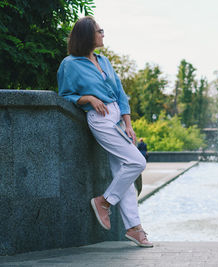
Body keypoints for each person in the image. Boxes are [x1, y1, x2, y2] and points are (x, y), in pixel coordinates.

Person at [57, 16, 152, 247]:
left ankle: (134, 229)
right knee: (137, 162)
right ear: (88, 35)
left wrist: (128, 124)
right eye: (100, 31)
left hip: (117, 119)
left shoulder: (104, 61)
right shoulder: (69, 64)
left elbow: (120, 93)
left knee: (125, 172)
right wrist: (88, 97)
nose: (103, 35)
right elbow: (64, 95)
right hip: (99, 119)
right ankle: (104, 202)